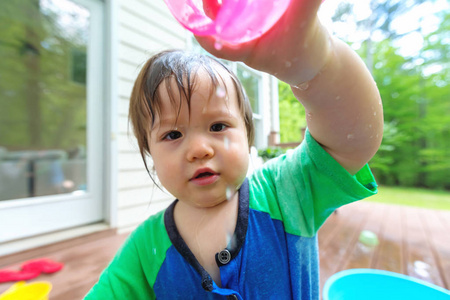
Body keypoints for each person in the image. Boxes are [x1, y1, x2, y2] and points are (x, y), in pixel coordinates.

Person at [84, 0, 383, 298]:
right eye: (173, 134)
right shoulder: (144, 250)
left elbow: (351, 141)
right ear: (149, 151)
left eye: (217, 127)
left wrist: (314, 63)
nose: (199, 149)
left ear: (247, 136)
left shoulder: (286, 193)